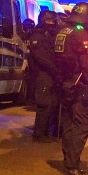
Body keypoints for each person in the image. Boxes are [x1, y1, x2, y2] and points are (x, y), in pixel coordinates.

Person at [54, 2, 88, 175]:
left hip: (65, 84)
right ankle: (71, 166)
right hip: (79, 85)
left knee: (68, 124)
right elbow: (87, 64)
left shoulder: (63, 31)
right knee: (81, 125)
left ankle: (70, 162)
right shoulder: (81, 34)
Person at [28, 10, 61, 142]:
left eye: (53, 21)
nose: (51, 24)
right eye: (49, 21)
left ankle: (47, 131)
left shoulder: (53, 35)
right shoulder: (36, 36)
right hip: (42, 73)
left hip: (52, 73)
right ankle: (39, 134)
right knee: (44, 104)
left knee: (53, 103)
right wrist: (54, 70)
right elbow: (41, 58)